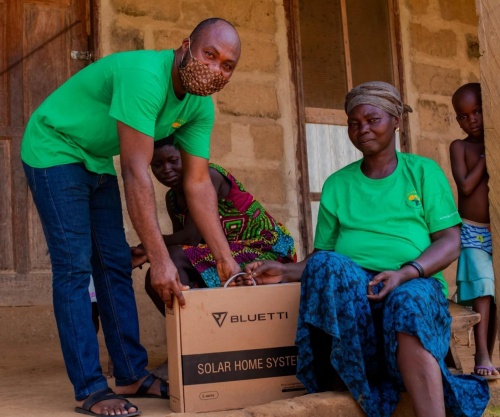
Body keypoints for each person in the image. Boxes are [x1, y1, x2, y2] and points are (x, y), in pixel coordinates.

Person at [20, 18, 242, 417]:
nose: (215, 69)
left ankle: (130, 374)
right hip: (54, 146)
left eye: (227, 65)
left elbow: (198, 184)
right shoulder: (146, 77)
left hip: (94, 156)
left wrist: (225, 260)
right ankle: (89, 389)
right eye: (209, 55)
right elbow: (136, 171)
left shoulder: (199, 106)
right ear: (186, 46)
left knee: (114, 265)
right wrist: (160, 259)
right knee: (74, 268)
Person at [244, 81, 490, 417]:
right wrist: (285, 271)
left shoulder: (422, 172)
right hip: (354, 299)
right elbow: (321, 256)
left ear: (395, 121)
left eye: (373, 120)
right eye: (354, 123)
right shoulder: (337, 184)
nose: (363, 129)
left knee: (408, 301)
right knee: (327, 265)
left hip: (413, 283)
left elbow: (450, 241)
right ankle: (349, 384)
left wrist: (406, 273)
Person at [131, 136, 297, 315]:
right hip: (228, 254)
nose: (166, 170)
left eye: (173, 161)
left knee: (173, 257)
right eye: (157, 165)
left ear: (186, 157)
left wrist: (149, 247)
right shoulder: (171, 199)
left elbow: (191, 237)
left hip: (267, 249)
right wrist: (153, 253)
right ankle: (187, 328)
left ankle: (192, 326)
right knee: (158, 277)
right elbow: (183, 244)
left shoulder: (208, 176)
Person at [449, 83, 497, 380]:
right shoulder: (460, 147)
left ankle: (488, 354)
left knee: (495, 296)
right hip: (472, 231)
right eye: (464, 116)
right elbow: (466, 186)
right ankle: (480, 354)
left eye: (478, 111)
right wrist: (485, 157)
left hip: (496, 231)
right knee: (483, 288)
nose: (472, 120)